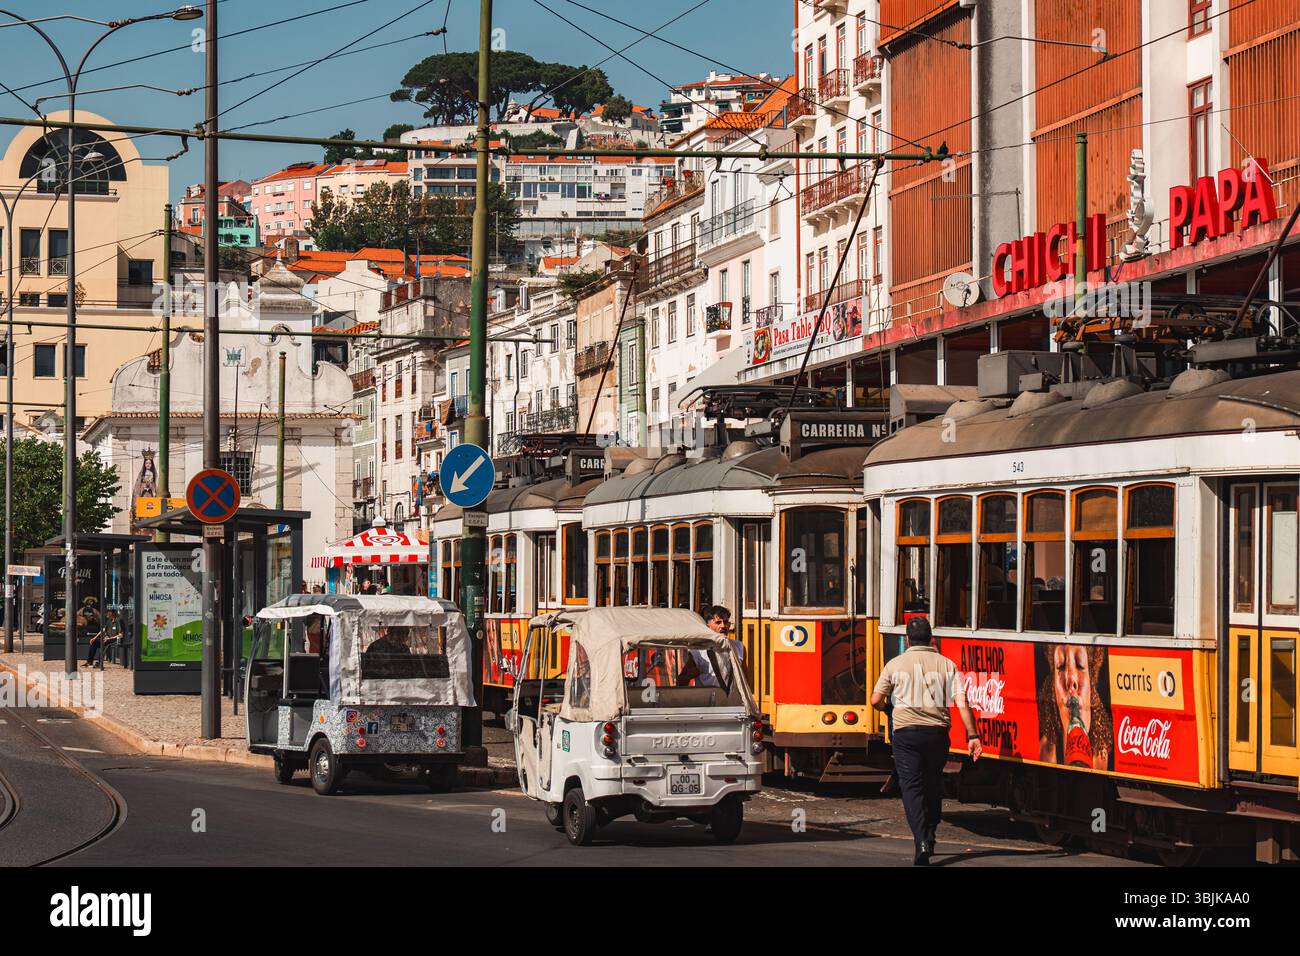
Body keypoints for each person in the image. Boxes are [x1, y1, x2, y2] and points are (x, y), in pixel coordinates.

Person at [870, 616, 982, 866]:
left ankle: (920, 840)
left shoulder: (895, 664)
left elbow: (875, 700)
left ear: (907, 639)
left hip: (906, 734)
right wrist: (972, 735)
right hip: (936, 734)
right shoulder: (947, 665)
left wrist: (889, 708)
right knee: (933, 784)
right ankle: (930, 835)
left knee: (912, 788)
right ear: (932, 638)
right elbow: (962, 703)